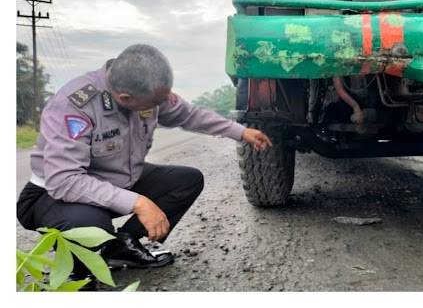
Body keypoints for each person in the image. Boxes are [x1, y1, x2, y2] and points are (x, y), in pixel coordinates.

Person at [16, 44, 272, 286]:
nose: (162, 105)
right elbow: (65, 181)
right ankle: (80, 273)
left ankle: (123, 247)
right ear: (125, 98)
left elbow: (189, 114)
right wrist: (138, 202)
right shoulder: (74, 106)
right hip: (51, 196)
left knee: (186, 180)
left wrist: (239, 131)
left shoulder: (148, 92)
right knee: (91, 226)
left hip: (115, 183)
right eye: (155, 103)